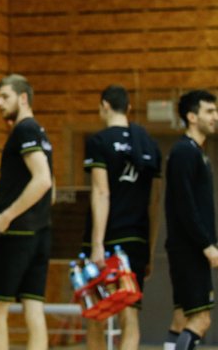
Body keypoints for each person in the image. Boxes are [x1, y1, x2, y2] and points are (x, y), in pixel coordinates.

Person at [81, 85, 162, 350]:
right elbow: (155, 202)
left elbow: (101, 192)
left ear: (104, 105)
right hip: (136, 239)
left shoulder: (99, 142)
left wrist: (97, 245)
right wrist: (148, 250)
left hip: (108, 238)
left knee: (97, 315)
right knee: (130, 315)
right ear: (128, 108)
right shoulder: (150, 145)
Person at [0, 74, 53, 350]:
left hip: (16, 233)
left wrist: (5, 216)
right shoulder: (41, 132)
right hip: (41, 231)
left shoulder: (24, 130)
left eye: (5, 97)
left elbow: (43, 180)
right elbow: (52, 190)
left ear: (23, 98)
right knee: (33, 307)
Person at [163, 90, 218, 350]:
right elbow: (185, 205)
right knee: (201, 320)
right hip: (190, 249)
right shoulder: (185, 152)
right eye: (209, 111)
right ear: (192, 117)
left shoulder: (197, 152)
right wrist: (206, 245)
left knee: (180, 318)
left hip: (188, 248)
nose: (215, 117)